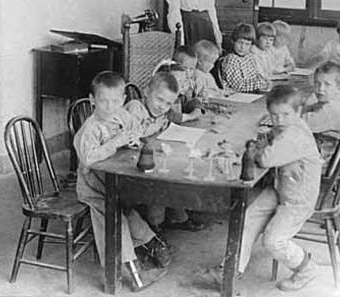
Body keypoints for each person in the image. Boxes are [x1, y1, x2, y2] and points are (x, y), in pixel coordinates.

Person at [207, 85, 322, 291]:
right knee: (247, 218)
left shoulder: (295, 134)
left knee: (274, 241)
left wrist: (257, 150)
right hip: (281, 188)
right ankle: (232, 270)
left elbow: (267, 159)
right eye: (274, 115)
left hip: (298, 199)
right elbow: (266, 138)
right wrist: (261, 142)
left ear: (298, 112)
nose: (279, 120)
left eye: (286, 114)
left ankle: (307, 268)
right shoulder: (284, 128)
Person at [73, 71, 170, 290]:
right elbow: (88, 158)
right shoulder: (90, 128)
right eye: (103, 101)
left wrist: (133, 139)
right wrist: (116, 142)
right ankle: (132, 273)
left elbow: (134, 128)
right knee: (113, 216)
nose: (109, 107)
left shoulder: (121, 115)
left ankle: (152, 244)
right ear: (92, 100)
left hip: (113, 183)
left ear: (123, 100)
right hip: (93, 188)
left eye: (115, 101)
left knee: (128, 210)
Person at [124, 71, 205, 232]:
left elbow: (169, 123)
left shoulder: (163, 113)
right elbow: (127, 139)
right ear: (146, 92)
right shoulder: (135, 108)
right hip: (125, 162)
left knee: (175, 166)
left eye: (168, 103)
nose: (162, 106)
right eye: (159, 99)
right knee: (162, 176)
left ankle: (176, 216)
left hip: (145, 155)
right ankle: (154, 224)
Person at [303, 62, 340, 158]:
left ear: (339, 88)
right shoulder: (336, 99)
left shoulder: (330, 109)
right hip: (333, 151)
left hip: (327, 157)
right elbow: (313, 108)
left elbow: (302, 123)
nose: (321, 89)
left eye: (327, 85)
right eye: (317, 83)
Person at [221, 23, 270, 93]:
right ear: (233, 41)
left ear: (251, 45)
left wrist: (264, 80)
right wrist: (260, 83)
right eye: (240, 42)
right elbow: (238, 86)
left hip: (250, 91)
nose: (242, 47)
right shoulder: (231, 59)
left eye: (247, 44)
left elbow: (256, 74)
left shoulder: (250, 57)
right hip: (236, 94)